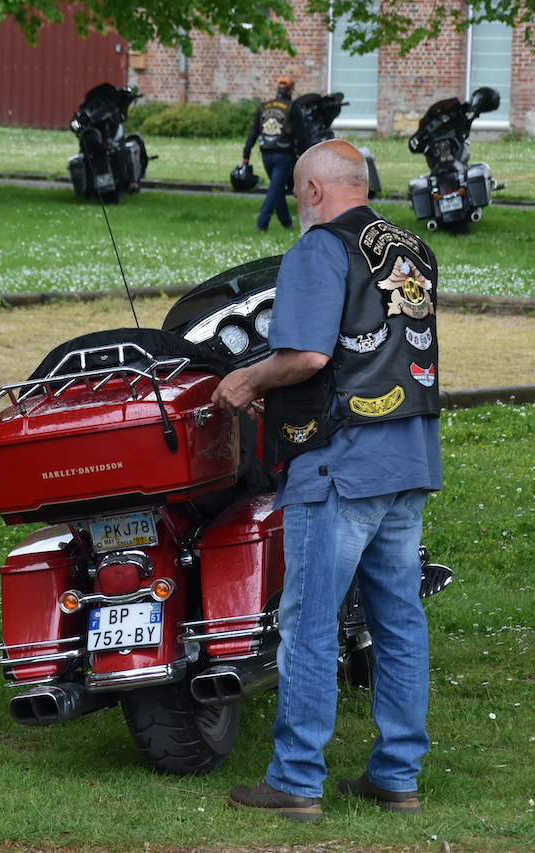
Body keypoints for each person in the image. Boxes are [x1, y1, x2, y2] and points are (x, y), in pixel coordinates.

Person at [212, 139, 442, 821]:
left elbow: (308, 356)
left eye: (296, 194)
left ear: (313, 190)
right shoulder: (411, 249)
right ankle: (397, 775)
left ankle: (296, 779)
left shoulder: (319, 248)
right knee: (398, 620)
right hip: (409, 455)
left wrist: (248, 379)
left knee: (309, 621)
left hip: (340, 461)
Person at [242, 74, 301, 232]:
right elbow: (301, 134)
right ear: (291, 90)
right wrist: (306, 154)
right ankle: (262, 224)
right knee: (275, 189)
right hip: (284, 154)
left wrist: (246, 153)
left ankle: (286, 222)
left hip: (266, 153)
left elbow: (254, 131)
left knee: (277, 188)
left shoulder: (264, 107)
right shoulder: (292, 107)